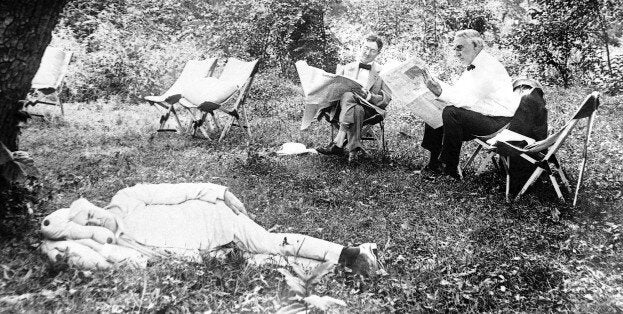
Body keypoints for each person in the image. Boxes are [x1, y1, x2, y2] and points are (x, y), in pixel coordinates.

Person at [40, 183, 383, 276]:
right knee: (262, 262)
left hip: (218, 219)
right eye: (86, 224)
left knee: (269, 243)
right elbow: (140, 261)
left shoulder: (127, 198)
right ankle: (353, 260)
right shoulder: (123, 245)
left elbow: (181, 189)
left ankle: (349, 254)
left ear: (95, 206)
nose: (95, 220)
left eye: (90, 214)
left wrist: (222, 193)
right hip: (211, 250)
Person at [419, 29, 519, 179]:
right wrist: (436, 90)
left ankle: (451, 169)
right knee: (436, 109)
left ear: (477, 46)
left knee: (451, 112)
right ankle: (434, 164)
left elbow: (467, 100)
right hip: (482, 115)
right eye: (454, 48)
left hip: (497, 123)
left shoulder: (488, 67)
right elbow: (459, 93)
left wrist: (440, 92)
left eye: (460, 47)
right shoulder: (474, 65)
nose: (456, 52)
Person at [316, 34, 391, 162]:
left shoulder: (382, 72)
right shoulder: (347, 67)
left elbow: (386, 98)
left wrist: (369, 96)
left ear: (378, 53)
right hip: (343, 108)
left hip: (369, 110)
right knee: (352, 101)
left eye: (372, 50)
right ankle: (353, 151)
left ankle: (340, 140)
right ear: (361, 47)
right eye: (365, 48)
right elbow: (332, 91)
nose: (367, 53)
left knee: (354, 103)